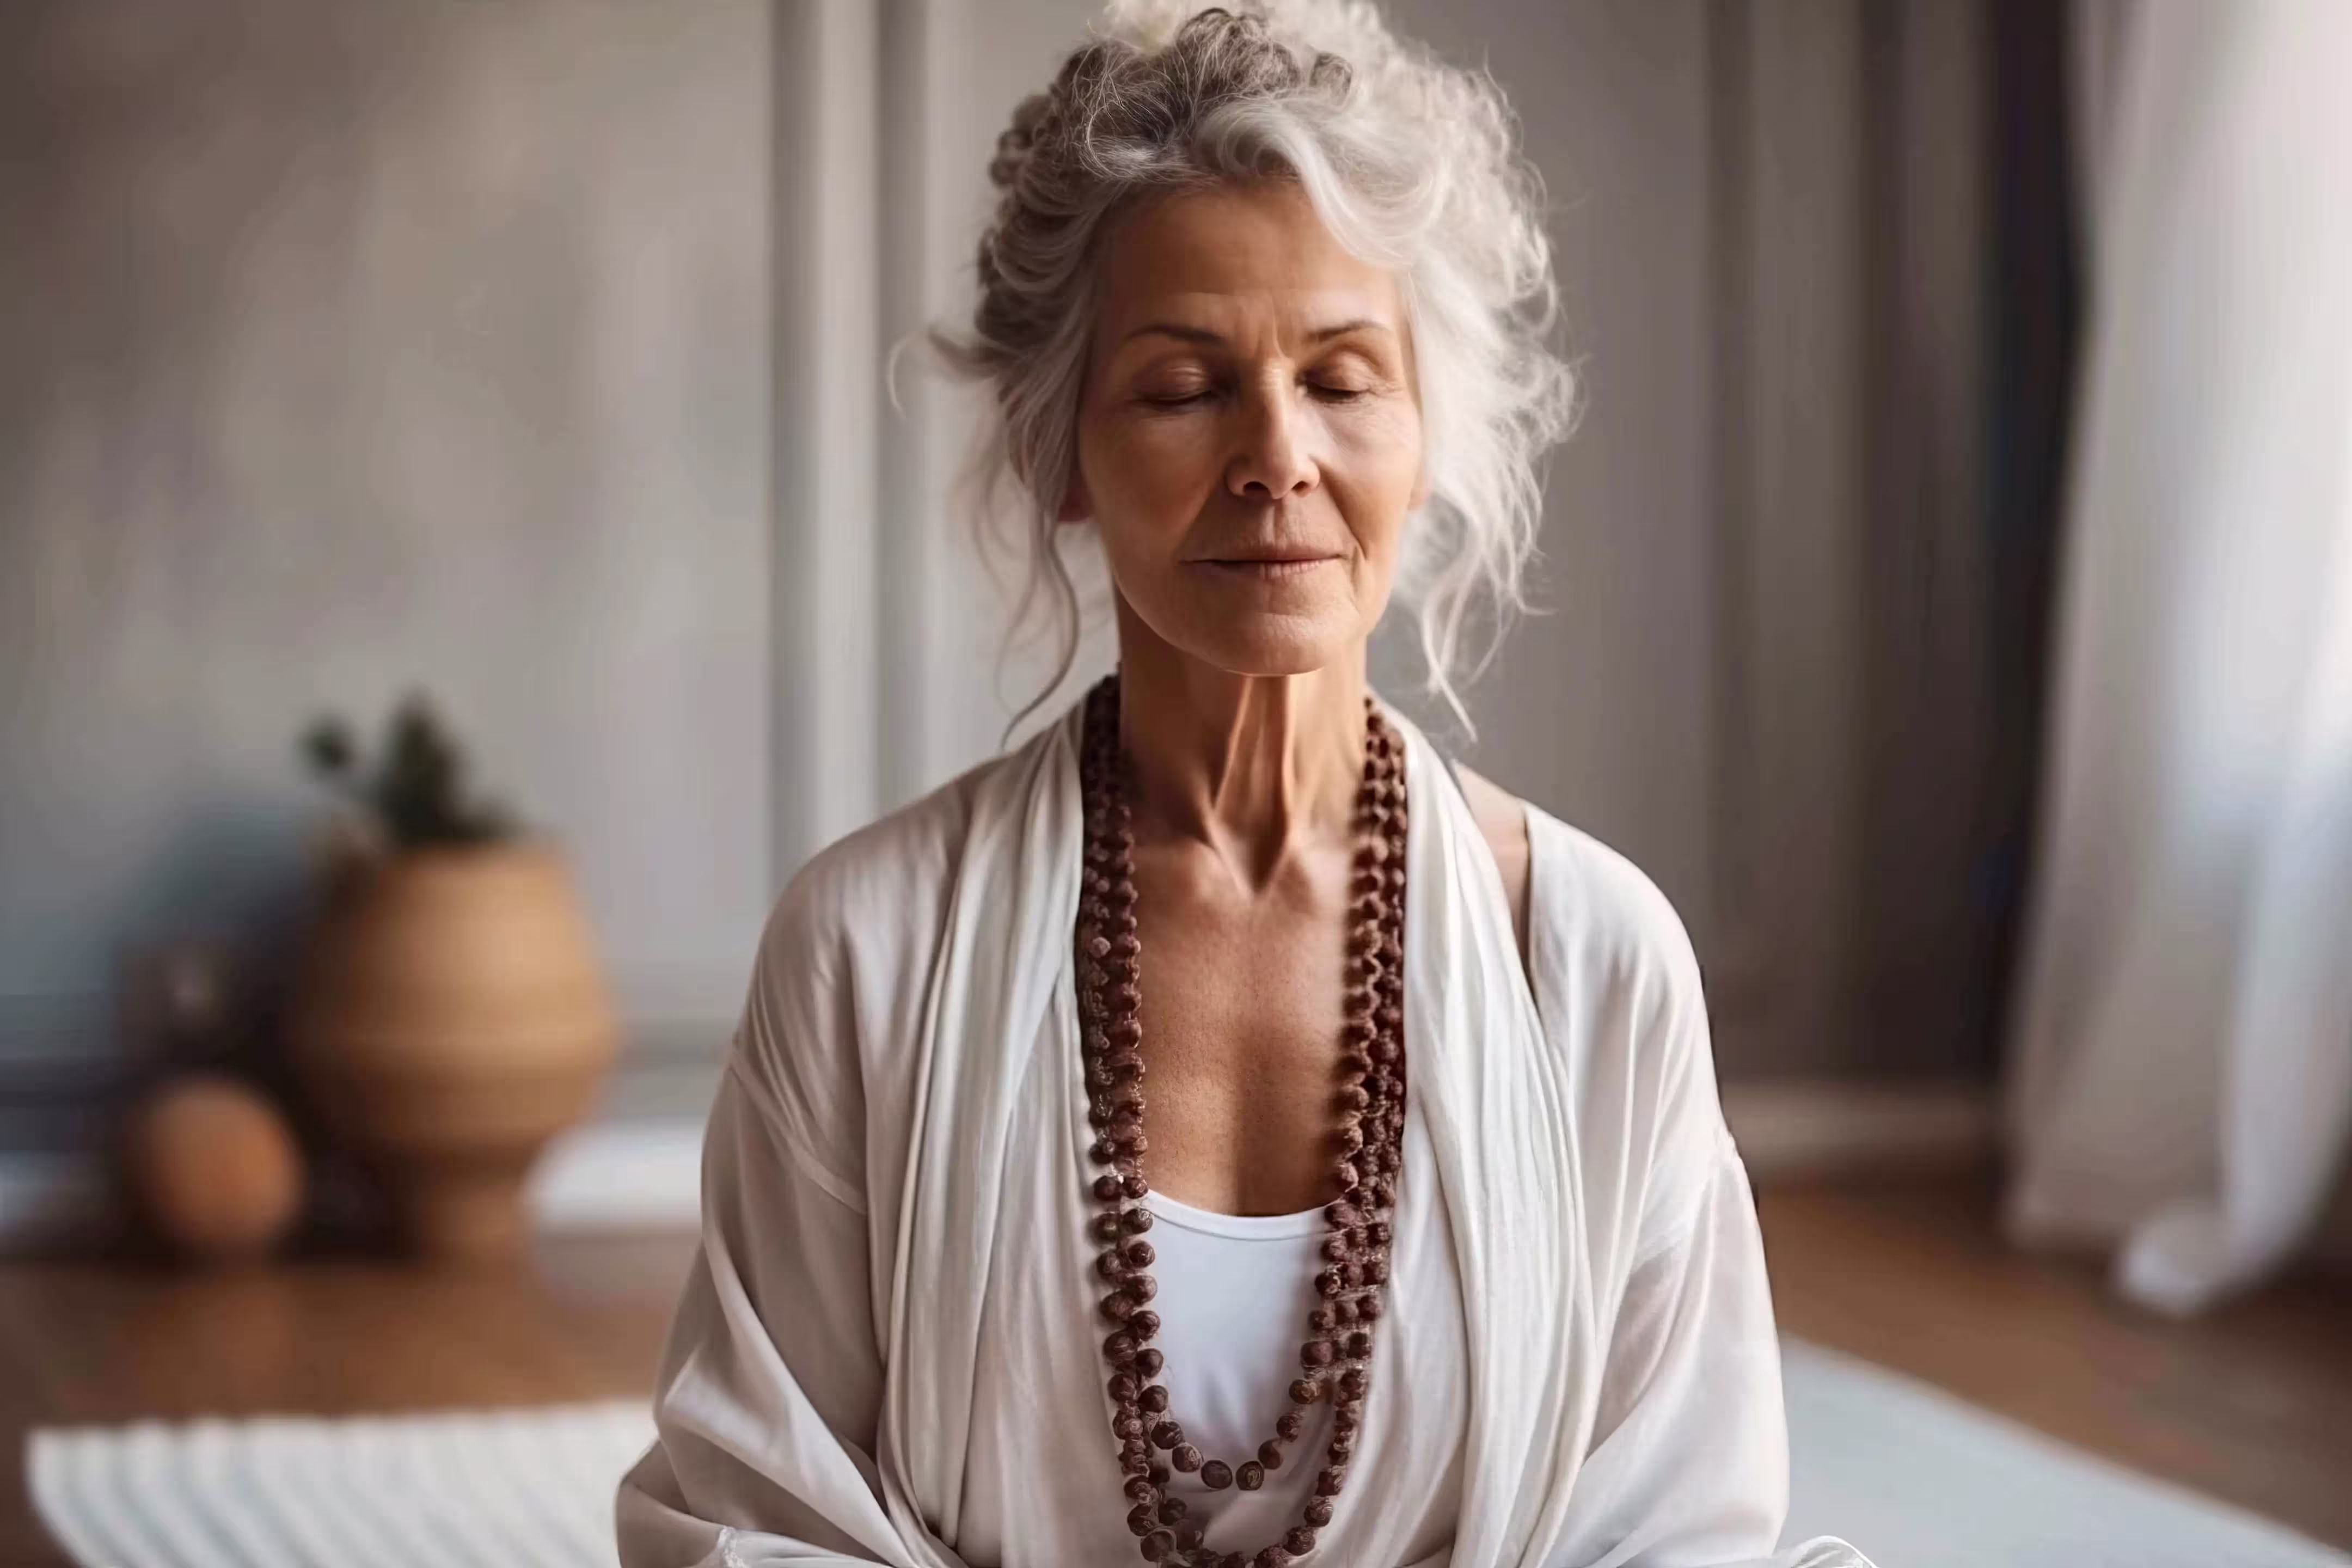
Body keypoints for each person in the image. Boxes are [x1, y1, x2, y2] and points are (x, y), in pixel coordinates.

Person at [615, 3, 1875, 1565]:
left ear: (1424, 436)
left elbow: (1680, 1532)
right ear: (1063, 456)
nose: (1279, 455)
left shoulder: (1594, 963)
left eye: (1343, 379)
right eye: (1182, 387)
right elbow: (753, 1518)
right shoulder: (869, 954)